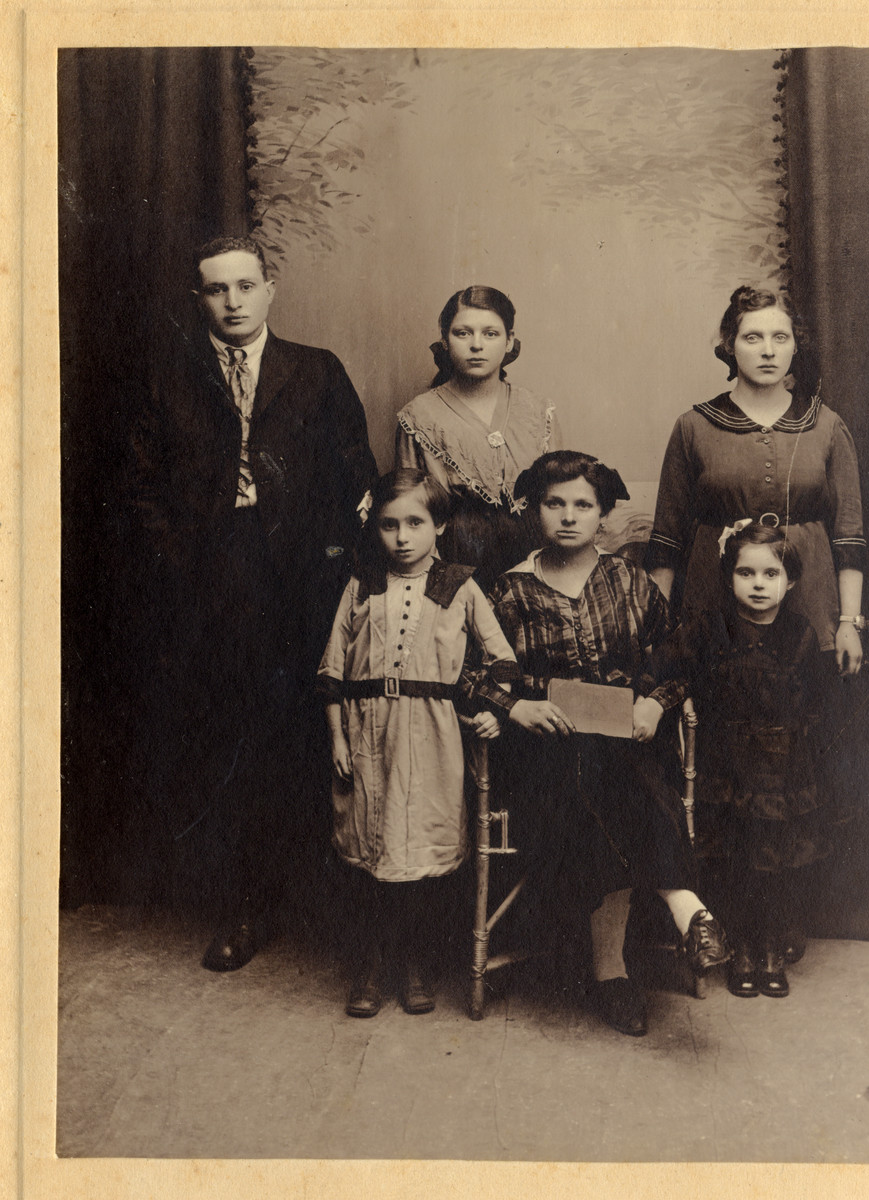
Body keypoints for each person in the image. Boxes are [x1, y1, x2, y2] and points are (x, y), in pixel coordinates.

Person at [129, 235, 377, 971]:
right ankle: (247, 905)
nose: (232, 302)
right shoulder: (168, 378)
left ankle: (323, 905)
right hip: (215, 581)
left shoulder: (316, 371)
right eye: (216, 290)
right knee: (233, 739)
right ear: (198, 299)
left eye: (245, 286)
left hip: (304, 581)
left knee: (312, 732)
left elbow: (354, 474)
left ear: (270, 289)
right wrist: (187, 562)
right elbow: (140, 490)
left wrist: (332, 564)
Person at [489, 451, 730, 1038]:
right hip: (546, 756)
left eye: (583, 505)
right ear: (533, 509)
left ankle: (612, 971)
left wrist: (655, 700)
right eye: (554, 504)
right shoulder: (510, 591)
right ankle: (685, 910)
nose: (568, 517)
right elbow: (472, 669)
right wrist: (515, 705)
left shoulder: (627, 581)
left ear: (602, 514)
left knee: (616, 767)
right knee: (599, 767)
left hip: (629, 748)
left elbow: (675, 653)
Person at [317, 469, 518, 1018]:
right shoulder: (361, 583)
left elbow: (503, 661)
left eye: (415, 522)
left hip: (433, 737)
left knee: (422, 854)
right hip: (366, 736)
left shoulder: (460, 585)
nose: (402, 537)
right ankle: (371, 965)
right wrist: (337, 736)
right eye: (389, 525)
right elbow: (333, 668)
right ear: (374, 528)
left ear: (440, 525)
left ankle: (416, 964)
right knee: (371, 849)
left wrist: (492, 713)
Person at [646, 284, 866, 676]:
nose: (768, 350)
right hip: (715, 600)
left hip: (810, 602)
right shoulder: (693, 427)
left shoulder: (827, 426)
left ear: (796, 346)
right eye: (753, 337)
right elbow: (667, 539)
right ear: (730, 345)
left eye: (780, 337)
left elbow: (849, 535)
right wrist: (657, 632)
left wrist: (849, 621)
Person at [663, 523, 828, 998]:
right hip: (726, 767)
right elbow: (674, 668)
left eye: (770, 573)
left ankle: (770, 946)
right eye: (746, 572)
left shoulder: (799, 634)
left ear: (790, 581)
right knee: (733, 857)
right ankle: (739, 948)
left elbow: (816, 702)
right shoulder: (711, 628)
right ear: (728, 576)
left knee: (775, 858)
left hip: (781, 770)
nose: (758, 583)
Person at [396, 286, 561, 588]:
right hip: (457, 566)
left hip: (537, 565)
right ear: (445, 340)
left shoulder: (538, 411)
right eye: (462, 333)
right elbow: (412, 512)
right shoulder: (419, 417)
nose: (476, 345)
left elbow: (562, 498)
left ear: (510, 340)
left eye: (490, 334)